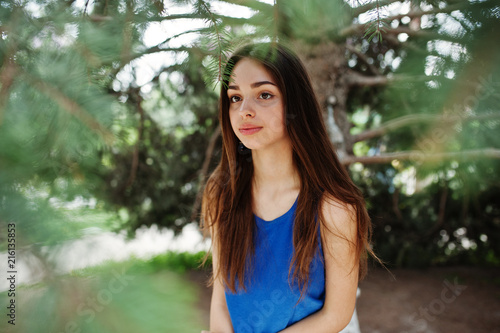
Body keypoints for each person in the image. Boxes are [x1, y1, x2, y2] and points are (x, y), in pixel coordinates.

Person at [200, 42, 376, 333]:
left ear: (295, 104)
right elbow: (221, 299)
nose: (244, 110)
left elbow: (337, 315)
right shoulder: (221, 195)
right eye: (235, 98)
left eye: (264, 95)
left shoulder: (334, 208)